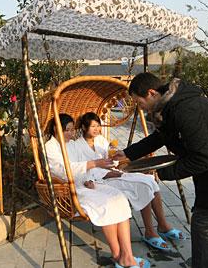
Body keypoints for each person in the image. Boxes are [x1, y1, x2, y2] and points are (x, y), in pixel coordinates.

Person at [113, 72, 208, 268]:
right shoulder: (172, 106)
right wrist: (128, 153)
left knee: (204, 226)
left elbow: (203, 158)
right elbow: (160, 137)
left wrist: (161, 173)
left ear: (151, 93)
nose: (139, 107)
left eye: (139, 102)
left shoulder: (187, 110)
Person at [45, 114, 150, 268]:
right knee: (106, 204)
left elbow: (81, 166)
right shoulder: (50, 147)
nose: (71, 133)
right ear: (56, 129)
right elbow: (61, 171)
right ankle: (117, 255)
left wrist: (89, 178)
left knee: (119, 198)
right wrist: (93, 164)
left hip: (86, 183)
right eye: (67, 130)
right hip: (69, 189)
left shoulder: (71, 144)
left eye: (72, 130)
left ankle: (126, 255)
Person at [70, 112, 185, 251]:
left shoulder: (101, 140)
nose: (97, 129)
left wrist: (117, 157)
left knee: (149, 181)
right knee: (142, 185)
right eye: (93, 126)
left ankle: (162, 224)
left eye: (98, 126)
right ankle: (150, 232)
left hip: (114, 173)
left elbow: (112, 160)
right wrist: (105, 173)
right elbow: (81, 169)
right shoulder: (76, 146)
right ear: (83, 127)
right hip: (99, 180)